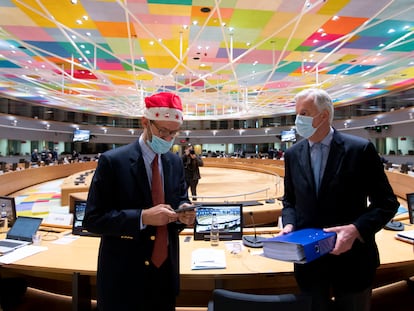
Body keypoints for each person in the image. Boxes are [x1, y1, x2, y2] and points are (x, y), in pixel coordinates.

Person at [280, 88, 399, 311]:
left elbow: (387, 203)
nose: (297, 120)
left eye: (303, 113)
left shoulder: (360, 150)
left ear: (323, 116)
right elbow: (290, 201)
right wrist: (289, 224)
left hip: (353, 262)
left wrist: (355, 230)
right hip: (310, 263)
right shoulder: (292, 154)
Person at [83, 92, 196, 311]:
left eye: (173, 133)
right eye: (162, 131)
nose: (167, 138)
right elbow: (93, 219)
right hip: (124, 280)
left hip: (164, 276)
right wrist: (143, 217)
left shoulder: (174, 162)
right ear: (145, 122)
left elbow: (181, 200)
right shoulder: (113, 162)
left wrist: (184, 214)